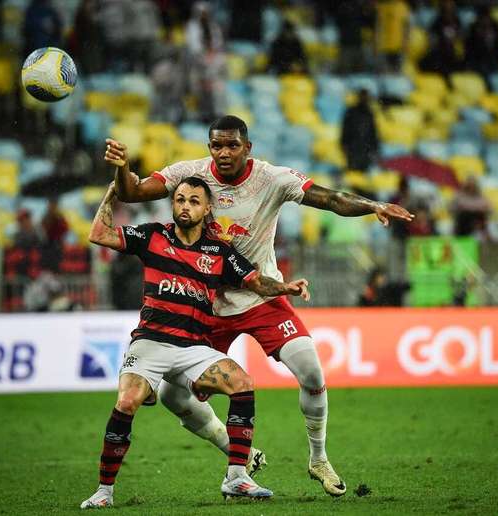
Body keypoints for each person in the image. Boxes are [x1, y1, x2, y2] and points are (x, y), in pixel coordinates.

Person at [104, 115, 414, 497]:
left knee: (312, 372)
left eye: (232, 145)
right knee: (171, 396)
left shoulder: (272, 179)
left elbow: (330, 198)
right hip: (208, 307)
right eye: (216, 145)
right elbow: (132, 192)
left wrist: (371, 205)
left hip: (260, 293)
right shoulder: (191, 175)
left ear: (247, 147)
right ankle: (238, 453)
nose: (223, 152)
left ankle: (318, 458)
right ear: (209, 147)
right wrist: (123, 169)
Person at [80, 177, 312, 507]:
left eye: (193, 201)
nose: (185, 206)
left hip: (193, 348)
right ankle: (104, 492)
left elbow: (255, 281)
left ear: (206, 209)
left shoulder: (219, 251)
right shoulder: (152, 236)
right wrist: (113, 189)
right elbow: (98, 234)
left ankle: (237, 477)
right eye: (180, 200)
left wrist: (285, 287)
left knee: (242, 382)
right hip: (151, 343)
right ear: (173, 204)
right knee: (127, 402)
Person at [340, 89, 379, 172]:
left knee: (364, 172)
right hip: (353, 147)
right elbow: (345, 130)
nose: (365, 99)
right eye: (363, 97)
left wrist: (374, 148)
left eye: (366, 97)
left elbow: (373, 132)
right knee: (352, 171)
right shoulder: (351, 111)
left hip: (365, 148)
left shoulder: (369, 113)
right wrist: (344, 144)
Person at [464, 5, 498, 80]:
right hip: (477, 60)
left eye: (487, 18)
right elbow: (470, 48)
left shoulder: (495, 26)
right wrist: (480, 36)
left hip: (493, 59)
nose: (485, 20)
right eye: (483, 18)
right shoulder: (473, 28)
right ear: (479, 18)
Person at [376, 0, 410, 73]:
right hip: (384, 46)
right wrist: (377, 42)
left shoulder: (402, 6)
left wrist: (405, 42)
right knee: (385, 73)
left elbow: (406, 26)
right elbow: (378, 26)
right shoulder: (381, 7)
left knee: (397, 72)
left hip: (398, 46)